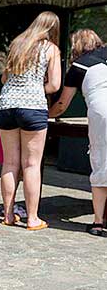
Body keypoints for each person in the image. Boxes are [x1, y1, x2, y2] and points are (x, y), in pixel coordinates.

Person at [0, 11, 61, 230]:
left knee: (10, 162)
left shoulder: (17, 44)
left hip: (6, 105)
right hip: (32, 107)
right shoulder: (50, 49)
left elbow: (4, 78)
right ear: (52, 29)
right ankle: (32, 218)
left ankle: (8, 214)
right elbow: (54, 85)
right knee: (31, 164)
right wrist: (35, 89)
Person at [49, 29, 107, 236]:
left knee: (101, 163)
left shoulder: (79, 66)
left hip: (102, 113)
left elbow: (63, 104)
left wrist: (47, 114)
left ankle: (99, 222)